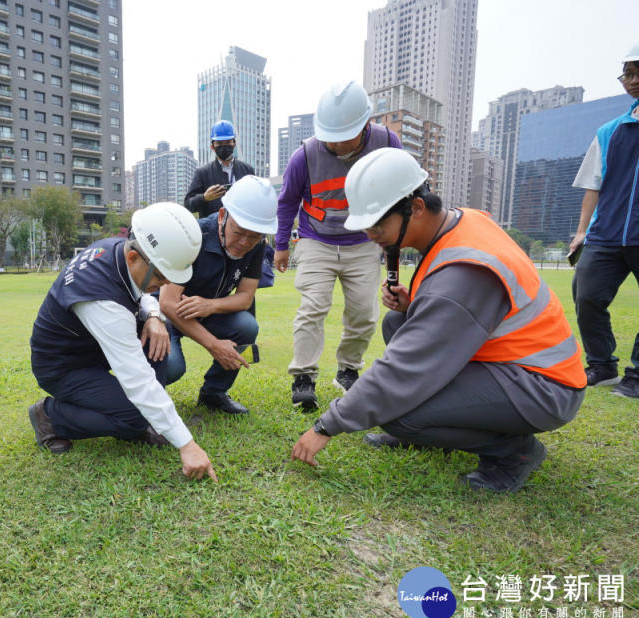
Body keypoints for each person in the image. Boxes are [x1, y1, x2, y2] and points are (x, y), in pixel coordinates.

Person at [291, 148, 587, 493]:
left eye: (377, 224)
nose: (370, 234)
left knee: (397, 411)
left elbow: (404, 370)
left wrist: (326, 426)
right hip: (514, 364)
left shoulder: (465, 272)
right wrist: (415, 303)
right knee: (396, 324)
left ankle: (514, 452)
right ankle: (439, 431)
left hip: (542, 387)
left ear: (415, 208)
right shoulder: (464, 221)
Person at [29, 203, 218, 482]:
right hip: (62, 366)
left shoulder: (121, 250)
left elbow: (138, 291)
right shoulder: (102, 302)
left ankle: (155, 421)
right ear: (133, 257)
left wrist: (154, 315)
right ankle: (50, 416)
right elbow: (137, 380)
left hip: (88, 348)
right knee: (135, 416)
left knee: (156, 332)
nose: (165, 284)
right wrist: (187, 444)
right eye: (161, 276)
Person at [274, 81, 402, 410]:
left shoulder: (387, 143)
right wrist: (281, 245)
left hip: (364, 240)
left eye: (344, 134)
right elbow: (287, 202)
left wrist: (393, 243)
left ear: (365, 125)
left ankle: (348, 370)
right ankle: (303, 376)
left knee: (363, 311)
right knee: (312, 307)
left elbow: (401, 191)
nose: (335, 142)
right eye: (329, 134)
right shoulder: (304, 155)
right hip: (317, 238)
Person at [160, 175, 278, 415]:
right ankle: (140, 399)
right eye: (239, 232)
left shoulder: (256, 245)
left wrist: (209, 306)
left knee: (246, 326)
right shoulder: (193, 236)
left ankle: (213, 393)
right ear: (223, 216)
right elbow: (167, 303)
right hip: (165, 316)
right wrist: (214, 345)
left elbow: (245, 297)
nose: (245, 243)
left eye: (254, 236)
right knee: (171, 368)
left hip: (204, 311)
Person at [569, 42, 639, 398]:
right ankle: (602, 365)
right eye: (628, 73)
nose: (633, 80)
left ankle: (638, 376)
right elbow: (592, 186)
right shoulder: (610, 131)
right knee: (587, 295)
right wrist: (582, 231)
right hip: (606, 234)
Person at [183, 120, 256, 216]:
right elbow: (188, 204)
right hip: (213, 228)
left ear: (234, 144)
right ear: (212, 147)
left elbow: (255, 199)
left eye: (228, 142)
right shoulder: (203, 173)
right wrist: (204, 197)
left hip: (241, 227)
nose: (224, 146)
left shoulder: (247, 170)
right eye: (220, 143)